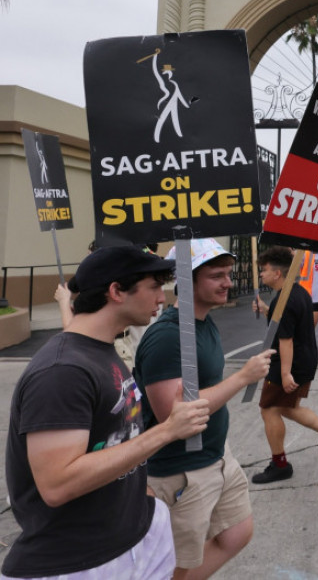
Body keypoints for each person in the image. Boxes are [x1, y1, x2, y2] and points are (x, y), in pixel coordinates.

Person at [2, 246, 211, 580]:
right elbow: (57, 484)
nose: (163, 297)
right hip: (79, 562)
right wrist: (168, 430)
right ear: (116, 291)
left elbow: (119, 437)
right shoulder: (62, 371)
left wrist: (144, 500)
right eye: (154, 286)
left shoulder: (100, 350)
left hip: (133, 540)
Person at [134, 238, 275, 580]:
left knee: (237, 533)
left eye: (228, 273)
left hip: (215, 455)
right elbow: (174, 415)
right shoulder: (167, 337)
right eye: (216, 275)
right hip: (181, 471)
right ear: (186, 278)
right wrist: (243, 377)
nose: (228, 282)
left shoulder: (203, 321)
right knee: (178, 565)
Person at [249, 246, 318, 484]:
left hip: (290, 363)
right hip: (306, 359)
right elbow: (287, 325)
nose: (261, 275)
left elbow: (286, 340)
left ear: (277, 273)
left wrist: (284, 374)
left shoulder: (283, 301)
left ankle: (280, 464)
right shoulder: (299, 292)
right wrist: (266, 309)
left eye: (264, 270)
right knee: (286, 407)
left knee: (268, 409)